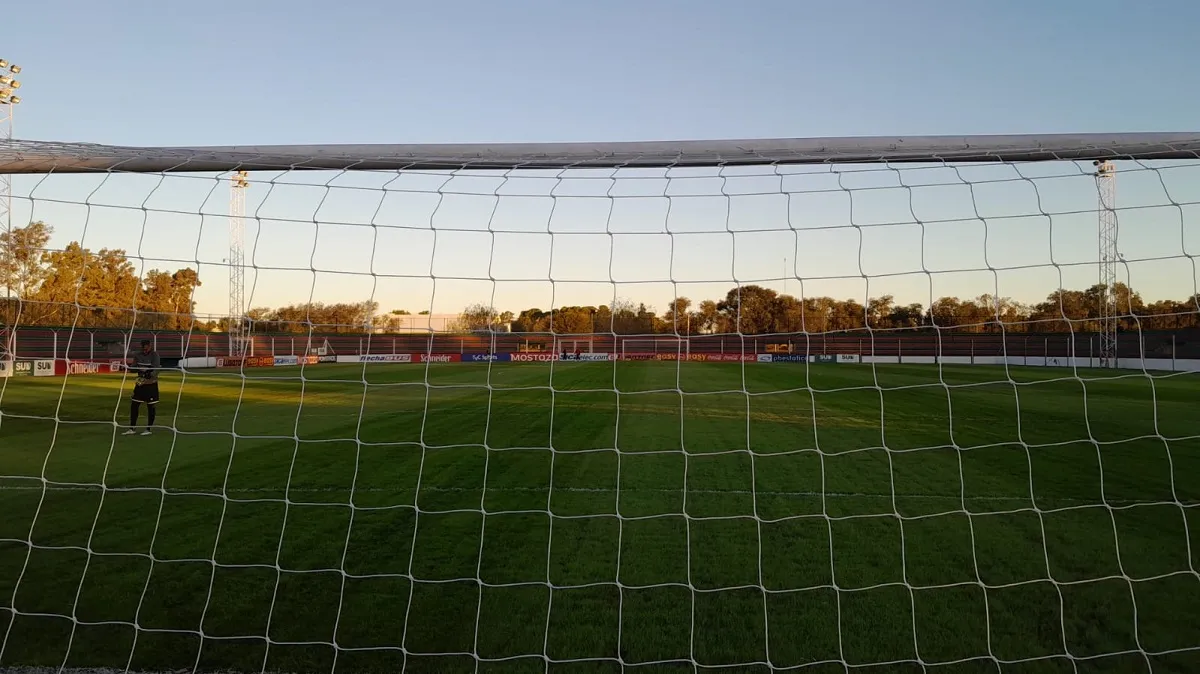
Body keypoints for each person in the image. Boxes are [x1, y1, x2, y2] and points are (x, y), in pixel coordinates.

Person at [123, 339, 160, 436]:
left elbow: (156, 369)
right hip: (140, 384)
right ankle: (132, 428)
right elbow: (134, 369)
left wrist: (147, 375)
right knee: (134, 405)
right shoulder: (138, 355)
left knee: (151, 406)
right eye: (143, 346)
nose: (145, 348)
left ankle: (148, 429)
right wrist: (128, 367)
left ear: (150, 346)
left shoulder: (154, 355)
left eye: (146, 346)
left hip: (150, 383)